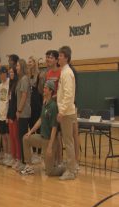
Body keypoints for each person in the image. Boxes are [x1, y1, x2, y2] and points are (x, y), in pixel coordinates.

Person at [20, 80, 65, 176]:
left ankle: (65, 169)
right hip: (42, 137)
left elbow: (54, 127)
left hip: (49, 141)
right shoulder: (45, 103)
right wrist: (30, 132)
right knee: (26, 138)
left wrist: (50, 146)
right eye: (44, 87)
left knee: (50, 172)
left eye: (45, 88)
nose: (43, 89)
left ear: (50, 91)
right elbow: (40, 120)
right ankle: (29, 166)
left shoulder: (53, 106)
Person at [57, 46, 77, 180]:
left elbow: (69, 95)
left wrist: (62, 111)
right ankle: (71, 167)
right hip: (66, 112)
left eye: (60, 55)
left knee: (68, 142)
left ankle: (71, 171)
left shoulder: (67, 73)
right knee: (68, 141)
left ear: (66, 57)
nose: (58, 57)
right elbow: (64, 93)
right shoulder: (64, 72)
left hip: (67, 113)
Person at [28, 56, 43, 164]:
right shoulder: (28, 75)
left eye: (31, 62)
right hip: (30, 105)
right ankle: (33, 152)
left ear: (35, 63)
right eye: (28, 62)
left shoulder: (39, 75)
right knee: (32, 128)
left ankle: (39, 153)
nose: (29, 63)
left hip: (37, 103)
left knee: (39, 129)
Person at [7, 67, 22, 170]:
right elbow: (9, 102)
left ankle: (18, 158)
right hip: (10, 114)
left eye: (12, 72)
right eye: (10, 72)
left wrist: (12, 116)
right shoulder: (10, 85)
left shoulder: (17, 84)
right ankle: (13, 157)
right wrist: (8, 115)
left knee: (16, 137)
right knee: (11, 137)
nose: (11, 73)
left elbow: (16, 102)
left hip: (15, 116)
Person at [16, 59, 31, 165]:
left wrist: (19, 110)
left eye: (17, 65)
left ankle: (25, 162)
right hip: (21, 112)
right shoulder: (20, 79)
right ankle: (23, 161)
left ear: (21, 66)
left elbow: (24, 95)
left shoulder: (25, 79)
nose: (16, 67)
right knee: (20, 136)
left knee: (23, 137)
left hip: (24, 112)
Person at [0, 66, 11, 165]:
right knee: (3, 136)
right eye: (0, 74)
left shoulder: (10, 83)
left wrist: (8, 115)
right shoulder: (0, 86)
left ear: (6, 73)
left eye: (3, 73)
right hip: (1, 113)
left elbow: (9, 101)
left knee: (8, 136)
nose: (2, 75)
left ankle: (10, 155)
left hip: (7, 114)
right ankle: (6, 154)